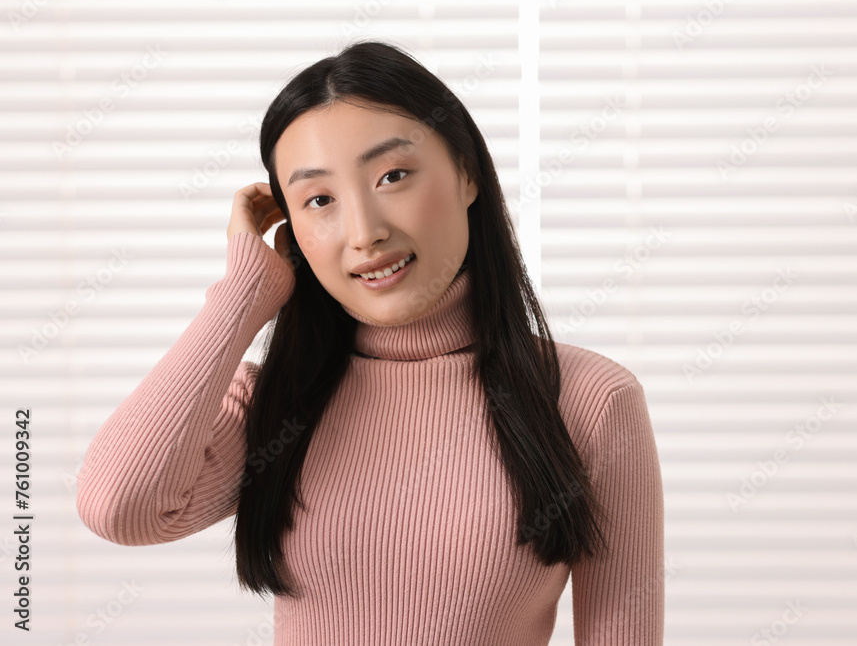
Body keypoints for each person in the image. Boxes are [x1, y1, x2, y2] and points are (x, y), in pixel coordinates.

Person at [76, 39, 664, 645]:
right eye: (319, 200)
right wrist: (240, 297)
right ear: (292, 228)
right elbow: (119, 507)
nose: (365, 232)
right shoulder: (276, 403)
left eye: (392, 175)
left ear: (466, 174)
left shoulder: (589, 401)